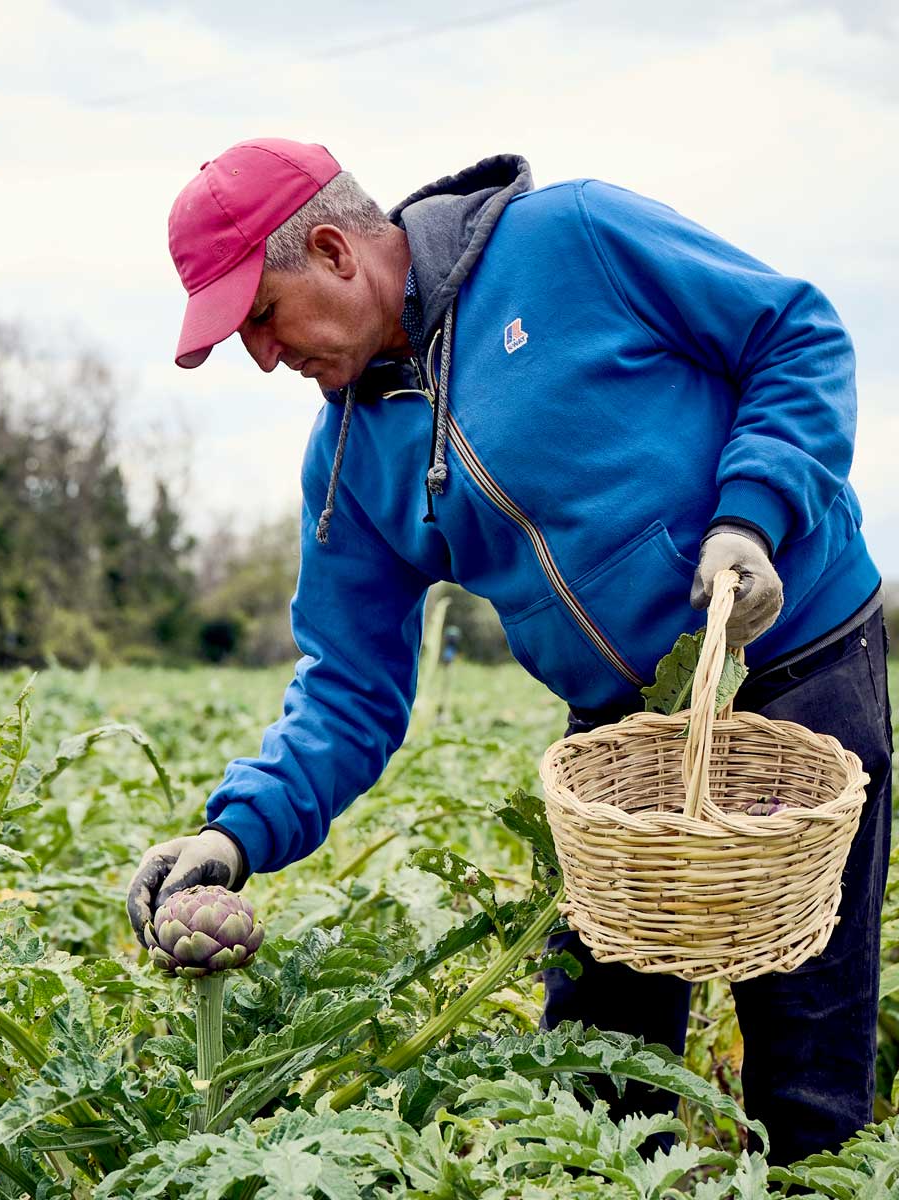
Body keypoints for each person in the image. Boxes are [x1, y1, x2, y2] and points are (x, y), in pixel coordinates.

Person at [127, 138, 892, 1163]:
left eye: (261, 318)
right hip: (618, 744)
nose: (265, 357)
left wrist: (750, 520)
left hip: (792, 667)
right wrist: (235, 834)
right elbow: (350, 687)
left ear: (332, 251)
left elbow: (795, 335)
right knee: (591, 1092)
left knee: (806, 1073)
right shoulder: (350, 459)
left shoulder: (571, 241)